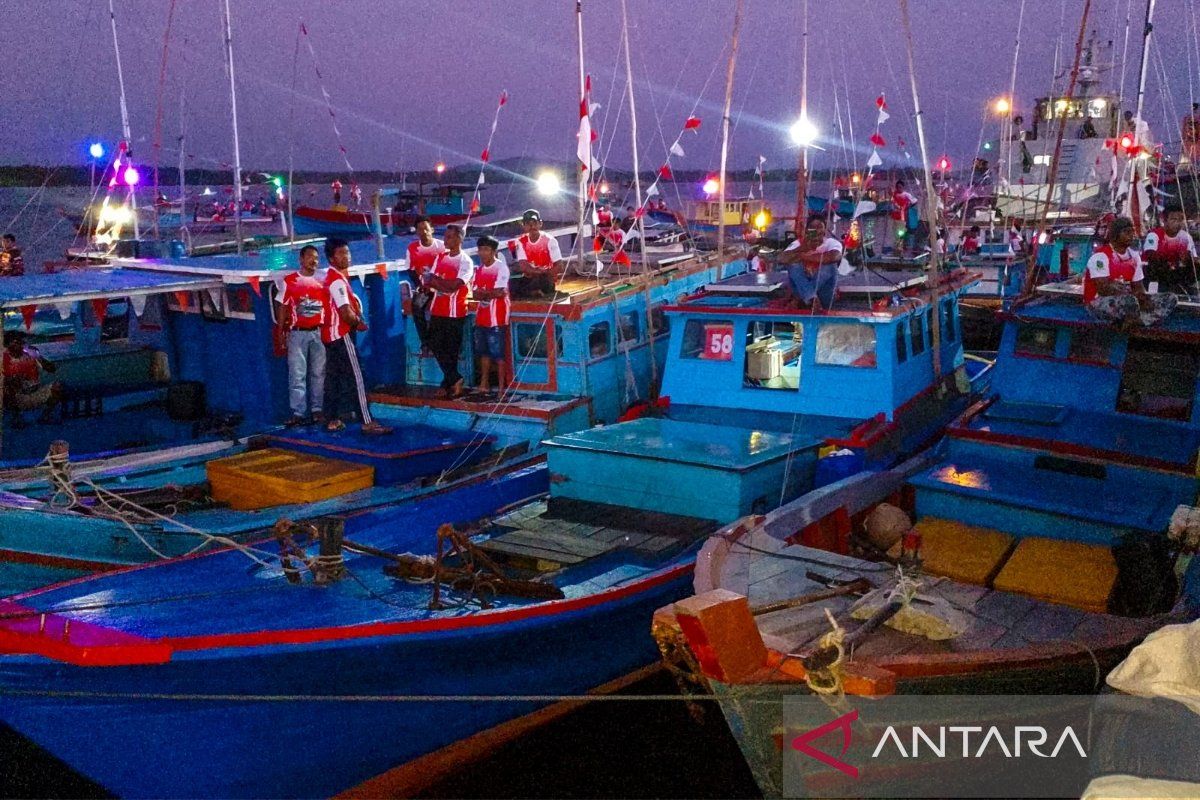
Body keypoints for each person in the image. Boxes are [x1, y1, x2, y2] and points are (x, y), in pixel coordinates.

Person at [321, 238, 391, 434]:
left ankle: (331, 419)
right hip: (342, 334)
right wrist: (359, 323)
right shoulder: (336, 281)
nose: (346, 257)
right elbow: (345, 312)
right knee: (356, 376)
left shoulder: (332, 278)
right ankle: (366, 421)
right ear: (331, 259)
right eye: (341, 254)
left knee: (333, 379)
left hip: (330, 336)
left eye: (347, 253)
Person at [1084, 216, 1176, 327]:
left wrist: (1143, 298)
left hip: (1129, 298)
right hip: (1097, 303)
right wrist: (1133, 296)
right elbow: (1103, 290)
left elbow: (1138, 286)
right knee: (1130, 301)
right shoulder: (1100, 257)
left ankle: (1138, 320)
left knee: (1170, 298)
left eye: (1132, 232)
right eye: (1126, 232)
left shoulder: (1134, 256)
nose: (1131, 235)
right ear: (1115, 235)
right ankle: (1141, 318)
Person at [277, 245, 327, 426]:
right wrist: (281, 331)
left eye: (316, 258)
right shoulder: (289, 281)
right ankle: (298, 412)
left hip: (319, 332)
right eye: (310, 257)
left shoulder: (323, 279)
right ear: (301, 259)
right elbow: (282, 306)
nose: (314, 261)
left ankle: (317, 410)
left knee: (318, 373)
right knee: (297, 374)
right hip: (297, 334)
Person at [425, 224, 474, 397]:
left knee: (451, 349)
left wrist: (439, 283)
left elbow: (454, 286)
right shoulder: (440, 257)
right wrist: (441, 284)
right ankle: (454, 379)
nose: (445, 240)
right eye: (445, 237)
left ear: (459, 239)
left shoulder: (465, 262)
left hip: (455, 311)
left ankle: (448, 384)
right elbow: (429, 280)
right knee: (435, 343)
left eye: (450, 237)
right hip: (438, 308)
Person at [776, 214, 843, 310]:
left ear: (824, 230)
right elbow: (781, 259)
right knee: (793, 265)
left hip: (823, 295)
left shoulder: (831, 243)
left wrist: (803, 256)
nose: (816, 230)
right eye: (812, 227)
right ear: (807, 230)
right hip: (801, 292)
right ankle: (812, 299)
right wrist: (802, 248)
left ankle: (807, 298)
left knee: (831, 266)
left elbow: (835, 256)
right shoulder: (798, 244)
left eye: (819, 227)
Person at [470, 235, 510, 394]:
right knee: (483, 353)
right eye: (480, 249)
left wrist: (484, 293)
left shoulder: (501, 267)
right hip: (482, 317)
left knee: (499, 354)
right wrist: (488, 293)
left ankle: (502, 387)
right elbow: (474, 294)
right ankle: (484, 383)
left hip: (497, 318)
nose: (482, 253)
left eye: (486, 249)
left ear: (494, 251)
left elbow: (500, 292)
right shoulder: (478, 270)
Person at [3, 330, 62, 426]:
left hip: (35, 392)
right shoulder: (4, 359)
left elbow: (52, 369)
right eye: (15, 342)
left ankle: (45, 417)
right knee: (7, 388)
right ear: (8, 345)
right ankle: (16, 418)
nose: (19, 345)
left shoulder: (30, 355)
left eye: (20, 342)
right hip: (17, 395)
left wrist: (38, 357)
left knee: (57, 387)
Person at [405, 216, 445, 353]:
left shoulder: (441, 247)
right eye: (420, 229)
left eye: (426, 229)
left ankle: (439, 339)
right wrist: (419, 285)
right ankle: (426, 342)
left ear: (432, 230)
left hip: (441, 287)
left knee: (440, 311)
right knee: (417, 307)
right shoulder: (412, 248)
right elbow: (410, 270)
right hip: (425, 288)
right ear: (416, 232)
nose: (424, 232)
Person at [1142, 204, 1198, 296]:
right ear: (1164, 220)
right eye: (1174, 220)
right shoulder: (1154, 235)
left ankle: (1188, 292)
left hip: (1175, 274)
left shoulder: (1186, 237)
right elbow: (1152, 257)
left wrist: (1189, 259)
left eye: (1181, 220)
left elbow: (1192, 259)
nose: (1178, 223)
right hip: (1156, 275)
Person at [513, 209, 563, 298]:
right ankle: (534, 292)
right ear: (524, 226)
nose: (532, 226)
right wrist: (537, 272)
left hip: (546, 277)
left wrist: (545, 273)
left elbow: (559, 266)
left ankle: (534, 292)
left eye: (535, 223)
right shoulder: (520, 241)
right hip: (530, 277)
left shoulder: (550, 240)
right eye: (529, 224)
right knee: (511, 285)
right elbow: (523, 265)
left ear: (540, 224)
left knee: (542, 281)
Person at [891, 180, 918, 252]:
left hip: (902, 217)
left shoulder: (906, 194)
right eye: (897, 187)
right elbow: (892, 201)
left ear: (903, 187)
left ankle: (900, 246)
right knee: (895, 232)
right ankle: (897, 246)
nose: (899, 189)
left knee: (901, 232)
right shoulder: (894, 194)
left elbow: (915, 201)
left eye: (900, 187)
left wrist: (907, 207)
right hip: (894, 217)